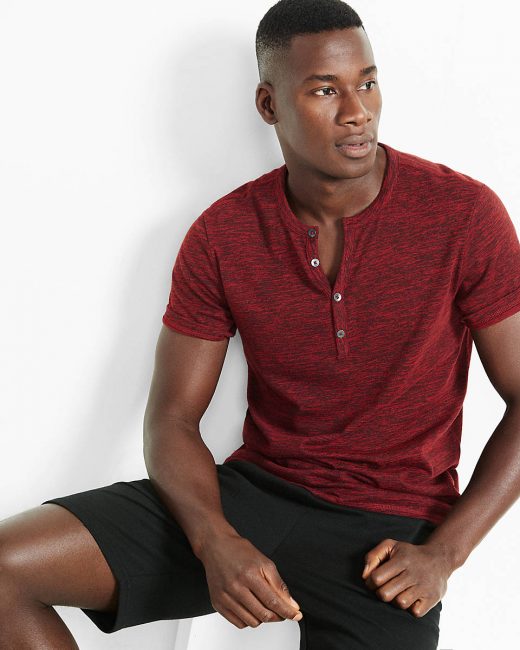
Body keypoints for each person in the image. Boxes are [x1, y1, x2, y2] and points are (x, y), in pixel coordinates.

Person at [2, 0, 520, 648]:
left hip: (389, 539)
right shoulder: (223, 235)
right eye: (325, 90)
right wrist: (215, 541)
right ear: (269, 104)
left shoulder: (462, 216)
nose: (357, 111)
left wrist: (445, 553)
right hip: (253, 500)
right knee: (6, 569)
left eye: (367, 82)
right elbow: (172, 419)